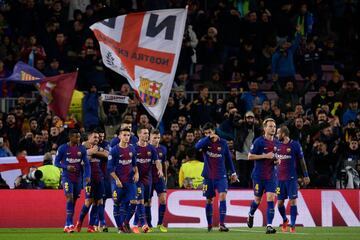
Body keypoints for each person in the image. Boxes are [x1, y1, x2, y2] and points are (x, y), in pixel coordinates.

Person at [195, 122, 238, 232]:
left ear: (214, 131)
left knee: (223, 196)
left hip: (221, 176)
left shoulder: (223, 143)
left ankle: (222, 224)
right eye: (205, 133)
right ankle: (209, 225)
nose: (208, 135)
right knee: (209, 200)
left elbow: (228, 159)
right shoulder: (204, 143)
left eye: (210, 132)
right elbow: (196, 147)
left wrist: (233, 173)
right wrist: (207, 138)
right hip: (208, 177)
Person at [124, 126, 163, 234]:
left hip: (148, 180)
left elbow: (157, 161)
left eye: (147, 133)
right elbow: (128, 163)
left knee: (143, 202)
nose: (146, 135)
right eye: (144, 133)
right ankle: (143, 224)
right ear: (139, 135)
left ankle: (126, 222)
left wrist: (160, 170)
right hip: (136, 180)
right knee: (140, 200)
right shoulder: (133, 148)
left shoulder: (151, 148)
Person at [246, 118, 279, 234]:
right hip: (259, 176)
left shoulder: (277, 142)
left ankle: (269, 226)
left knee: (271, 198)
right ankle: (251, 214)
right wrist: (265, 156)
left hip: (271, 176)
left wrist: (277, 161)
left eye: (274, 126)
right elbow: (249, 157)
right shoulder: (258, 141)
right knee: (257, 200)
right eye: (270, 126)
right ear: (265, 128)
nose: (273, 128)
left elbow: (275, 157)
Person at [55, 129, 90, 233]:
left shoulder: (82, 149)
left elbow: (87, 164)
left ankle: (67, 224)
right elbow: (56, 162)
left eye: (79, 137)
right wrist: (66, 167)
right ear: (70, 137)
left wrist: (87, 175)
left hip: (78, 178)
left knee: (74, 200)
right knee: (69, 197)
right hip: (67, 177)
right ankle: (70, 223)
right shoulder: (62, 148)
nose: (78, 139)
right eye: (76, 137)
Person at [276, 125, 310, 233]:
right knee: (280, 203)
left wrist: (306, 175)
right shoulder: (276, 145)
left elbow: (302, 160)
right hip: (279, 179)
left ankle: (293, 224)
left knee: (293, 201)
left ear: (283, 134)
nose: (276, 135)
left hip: (291, 178)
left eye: (278, 133)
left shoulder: (295, 144)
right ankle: (285, 220)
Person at [75, 130, 109, 233]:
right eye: (95, 137)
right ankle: (79, 222)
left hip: (99, 178)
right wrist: (94, 153)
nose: (97, 139)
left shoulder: (98, 148)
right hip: (88, 178)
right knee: (88, 201)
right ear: (89, 137)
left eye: (98, 138)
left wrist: (94, 152)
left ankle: (91, 226)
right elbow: (83, 156)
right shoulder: (82, 147)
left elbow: (107, 155)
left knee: (98, 201)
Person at [107, 127, 139, 233]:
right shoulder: (114, 150)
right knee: (117, 204)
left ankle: (126, 222)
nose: (126, 137)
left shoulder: (132, 149)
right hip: (118, 182)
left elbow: (134, 164)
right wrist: (117, 180)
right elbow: (110, 169)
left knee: (134, 202)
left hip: (130, 181)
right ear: (120, 136)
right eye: (124, 135)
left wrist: (137, 173)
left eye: (128, 135)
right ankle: (120, 227)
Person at [147, 129, 168, 232]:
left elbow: (164, 163)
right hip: (148, 178)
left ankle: (160, 223)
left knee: (163, 199)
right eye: (154, 137)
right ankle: (149, 225)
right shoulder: (146, 148)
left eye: (158, 137)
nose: (157, 140)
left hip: (159, 178)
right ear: (150, 137)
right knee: (148, 202)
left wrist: (165, 176)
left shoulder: (163, 149)